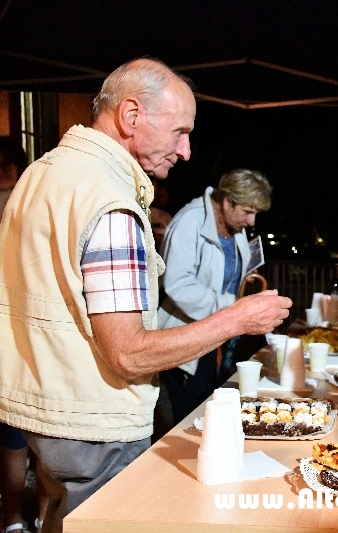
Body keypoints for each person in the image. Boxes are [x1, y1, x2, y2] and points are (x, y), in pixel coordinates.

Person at [0, 58, 292, 533]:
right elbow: (129, 354)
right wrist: (237, 318)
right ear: (131, 117)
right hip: (92, 424)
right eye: (179, 132)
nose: (187, 150)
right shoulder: (109, 201)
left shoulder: (42, 173)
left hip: (40, 411)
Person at [158, 168, 273, 426]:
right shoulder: (190, 221)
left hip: (219, 336)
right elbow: (177, 284)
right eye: (248, 211)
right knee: (192, 420)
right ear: (226, 201)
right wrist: (232, 307)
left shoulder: (234, 225)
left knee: (213, 414)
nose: (252, 221)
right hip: (188, 338)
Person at [0, 137, 49, 533]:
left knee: (48, 429)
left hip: (41, 326)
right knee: (13, 430)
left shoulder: (33, 198)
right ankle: (13, 514)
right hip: (8, 329)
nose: (3, 170)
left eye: (8, 162)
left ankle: (44, 512)